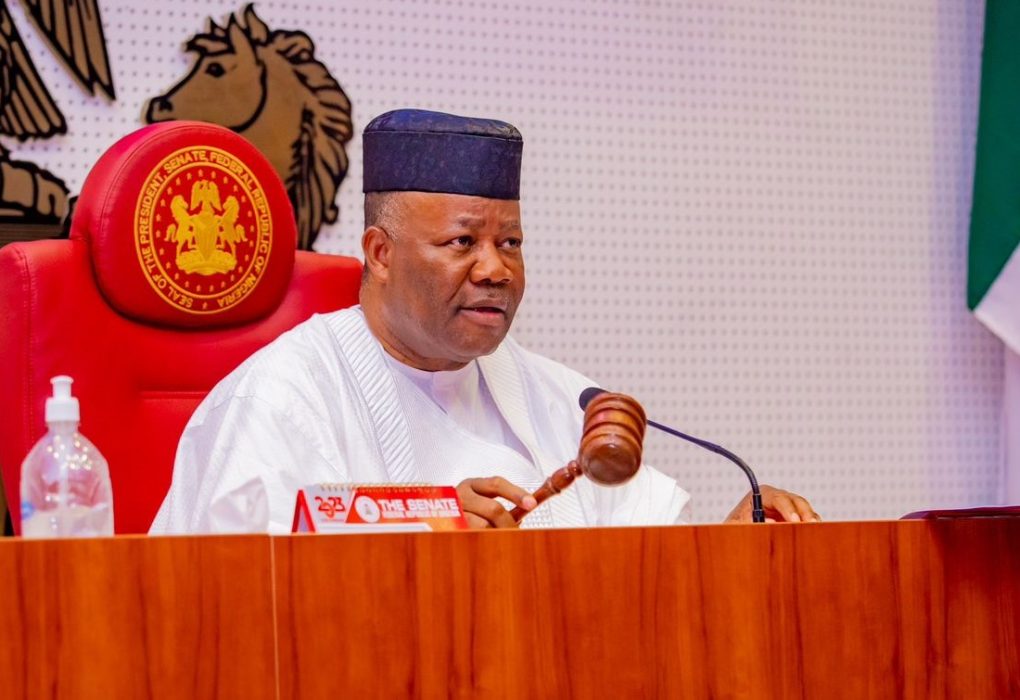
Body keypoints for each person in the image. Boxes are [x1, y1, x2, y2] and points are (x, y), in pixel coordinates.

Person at [151, 109, 818, 534]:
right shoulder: (281, 398)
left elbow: (645, 556)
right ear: (380, 255)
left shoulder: (562, 399)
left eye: (512, 243)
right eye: (463, 243)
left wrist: (731, 546)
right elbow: (237, 603)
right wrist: (427, 537)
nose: (496, 269)